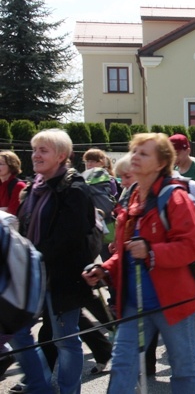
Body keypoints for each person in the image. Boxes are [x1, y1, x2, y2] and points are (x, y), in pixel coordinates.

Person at [82, 132, 195, 394]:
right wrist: (106, 268)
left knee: (184, 368)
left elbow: (189, 248)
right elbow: (127, 251)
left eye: (144, 153)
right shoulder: (132, 197)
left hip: (172, 301)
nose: (135, 157)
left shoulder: (175, 198)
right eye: (135, 151)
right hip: (134, 302)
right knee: (122, 364)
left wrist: (152, 251)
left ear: (161, 163)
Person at [12, 129, 95, 394]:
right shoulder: (31, 189)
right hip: (30, 275)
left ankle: (68, 390)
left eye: (43, 150)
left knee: (65, 339)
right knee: (19, 334)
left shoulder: (75, 189)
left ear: (62, 156)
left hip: (63, 278)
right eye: (35, 149)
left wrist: (32, 254)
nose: (35, 155)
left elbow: (70, 237)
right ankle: (40, 386)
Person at [0, 151, 25, 378]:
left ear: (11, 166)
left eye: (1, 164)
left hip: (11, 250)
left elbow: (14, 220)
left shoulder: (17, 187)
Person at [0, 151, 26, 215]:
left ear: (11, 166)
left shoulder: (19, 186)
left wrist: (6, 210)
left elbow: (12, 212)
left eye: (0, 164)